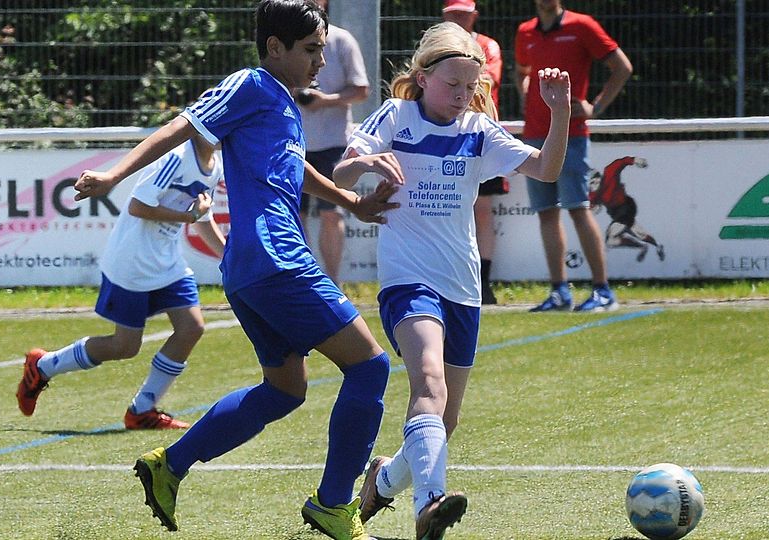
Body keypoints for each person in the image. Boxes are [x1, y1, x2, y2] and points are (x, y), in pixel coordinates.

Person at [73, 2, 398, 539]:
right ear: (275, 47)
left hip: (253, 266)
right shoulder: (251, 83)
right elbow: (183, 124)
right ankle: (334, 506)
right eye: (311, 50)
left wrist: (347, 199)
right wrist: (114, 174)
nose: (321, 61)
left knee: (286, 388)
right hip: (276, 260)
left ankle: (168, 466)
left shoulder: (283, 102)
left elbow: (295, 166)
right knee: (369, 367)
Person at [333, 22, 570, 540]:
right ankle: (430, 501)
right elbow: (341, 175)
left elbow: (548, 170)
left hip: (461, 287)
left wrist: (560, 113)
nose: (462, 95)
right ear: (421, 77)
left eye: (470, 87)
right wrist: (365, 160)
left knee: (448, 418)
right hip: (408, 280)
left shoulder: (477, 130)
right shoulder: (395, 116)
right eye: (452, 85)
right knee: (429, 385)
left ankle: (383, 478)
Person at [15, 134, 227, 430]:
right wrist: (187, 217)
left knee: (191, 328)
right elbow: (138, 206)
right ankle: (43, 366)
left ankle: (142, 410)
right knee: (125, 346)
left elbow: (200, 217)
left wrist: (229, 257)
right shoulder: (177, 156)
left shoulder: (215, 164)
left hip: (168, 262)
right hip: (132, 262)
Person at [515, 0, 632, 312]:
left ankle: (602, 291)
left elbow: (622, 67)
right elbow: (522, 70)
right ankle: (559, 292)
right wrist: (525, 89)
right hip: (535, 134)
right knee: (546, 212)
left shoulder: (582, 26)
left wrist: (596, 107)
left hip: (571, 134)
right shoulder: (525, 31)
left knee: (578, 209)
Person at [296, 0, 370, 284]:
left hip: (333, 143)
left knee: (331, 214)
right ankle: (302, 282)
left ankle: (334, 283)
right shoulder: (286, 41)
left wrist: (325, 100)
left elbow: (361, 89)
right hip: (294, 142)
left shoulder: (340, 39)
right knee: (294, 215)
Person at [441, 0, 505, 305]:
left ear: (474, 16)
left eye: (462, 14)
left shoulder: (487, 45)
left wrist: (450, 76)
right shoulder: (438, 45)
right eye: (452, 14)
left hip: (478, 134)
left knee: (482, 209)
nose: (457, 19)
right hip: (444, 135)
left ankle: (484, 281)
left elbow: (487, 79)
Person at [588, 156, 664, 262]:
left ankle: (641, 246)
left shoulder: (609, 173)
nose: (596, 183)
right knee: (639, 233)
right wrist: (592, 210)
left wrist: (635, 160)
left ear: (599, 176)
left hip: (626, 207)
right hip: (615, 213)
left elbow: (621, 162)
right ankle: (656, 245)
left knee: (611, 239)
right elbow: (593, 208)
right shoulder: (592, 195)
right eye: (592, 183)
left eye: (596, 179)